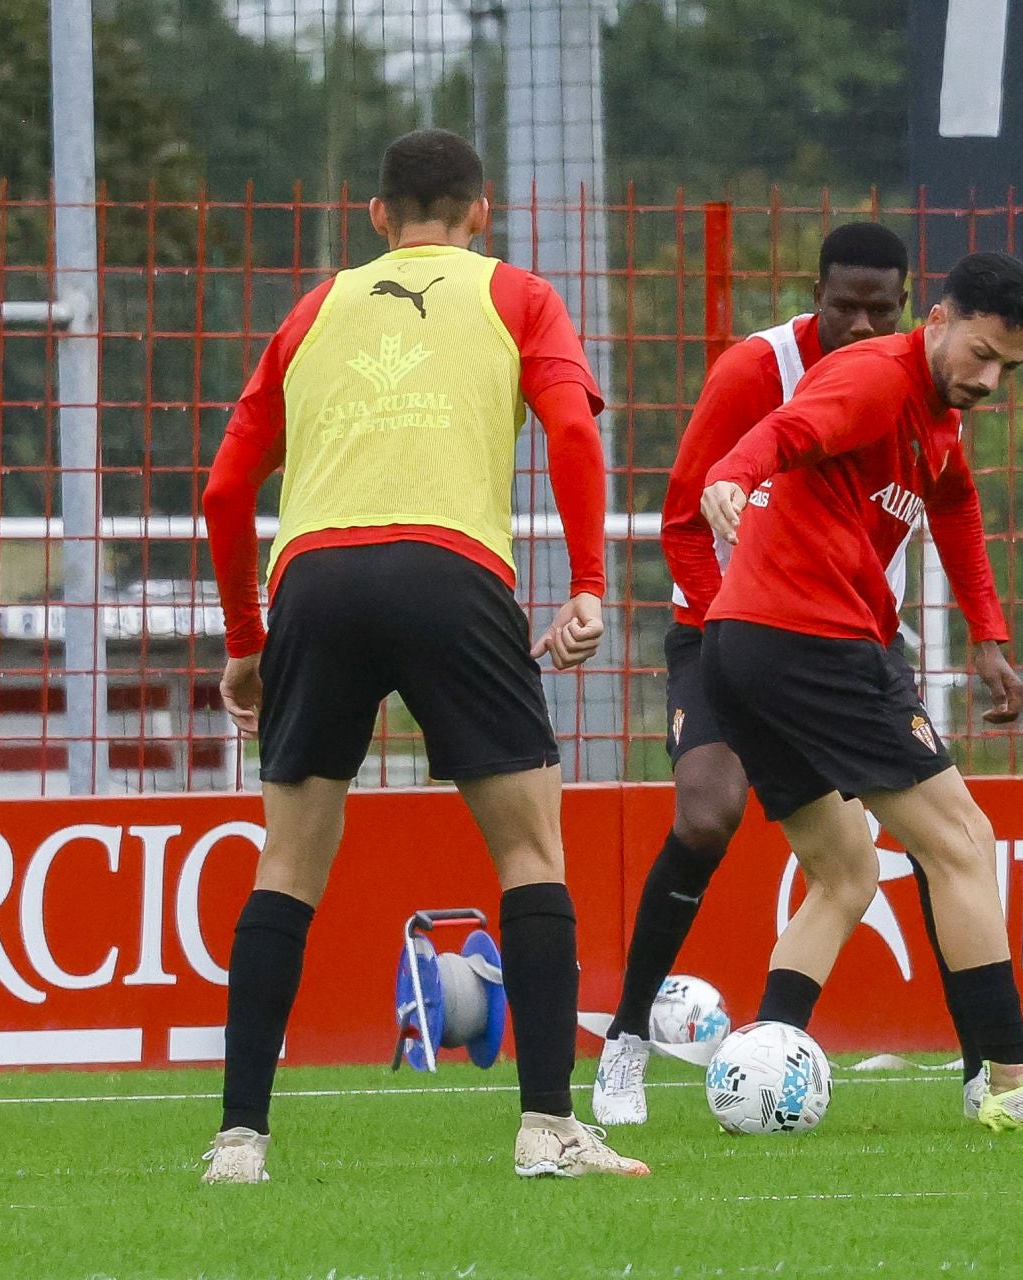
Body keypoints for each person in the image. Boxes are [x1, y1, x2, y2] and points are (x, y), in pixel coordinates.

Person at [199, 129, 644, 1182]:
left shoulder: (312, 311)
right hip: (451, 572)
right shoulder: (516, 294)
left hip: (314, 578)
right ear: (480, 214)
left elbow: (223, 492)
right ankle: (546, 1129)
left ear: (374, 217)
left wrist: (244, 645)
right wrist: (586, 583)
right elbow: (574, 431)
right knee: (531, 852)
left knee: (287, 865)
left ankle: (239, 1140)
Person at [594, 223, 1019, 1126]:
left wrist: (986, 628)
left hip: (853, 633)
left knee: (887, 858)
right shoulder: (760, 371)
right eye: (844, 307)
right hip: (729, 624)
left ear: (912, 309)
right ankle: (627, 1039)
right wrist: (739, 636)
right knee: (713, 815)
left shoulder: (932, 391)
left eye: (880, 309)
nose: (862, 325)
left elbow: (954, 500)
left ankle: (970, 1064)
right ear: (812, 295)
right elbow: (683, 517)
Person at [696, 250, 1023, 1132]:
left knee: (843, 873)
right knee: (964, 840)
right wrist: (729, 477)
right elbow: (786, 429)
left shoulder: (940, 415)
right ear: (935, 321)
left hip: (743, 645)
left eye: (1009, 368)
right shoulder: (875, 376)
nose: (992, 381)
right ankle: (1011, 1081)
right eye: (981, 355)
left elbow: (957, 507)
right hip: (812, 639)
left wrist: (989, 634)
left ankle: (758, 1071)